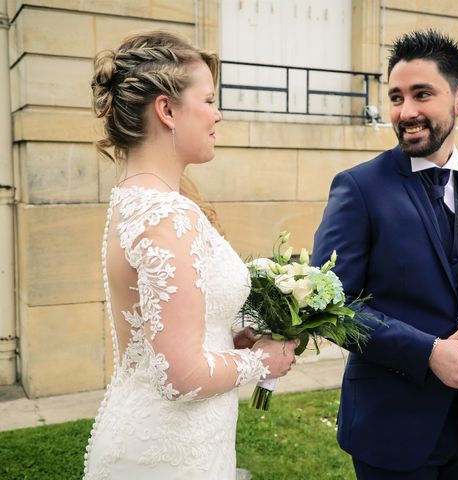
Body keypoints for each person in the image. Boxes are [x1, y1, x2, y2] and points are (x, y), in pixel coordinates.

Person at [312, 30, 458, 479]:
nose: (406, 112)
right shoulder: (358, 188)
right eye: (396, 97)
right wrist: (428, 352)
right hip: (388, 427)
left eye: (422, 95)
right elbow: (330, 305)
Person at [83, 31, 297, 479]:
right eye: (209, 100)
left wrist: (223, 337)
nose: (218, 116)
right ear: (167, 110)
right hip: (168, 454)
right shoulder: (166, 212)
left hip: (176, 438)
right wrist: (266, 360)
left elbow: (166, 336)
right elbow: (179, 376)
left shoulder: (136, 196)